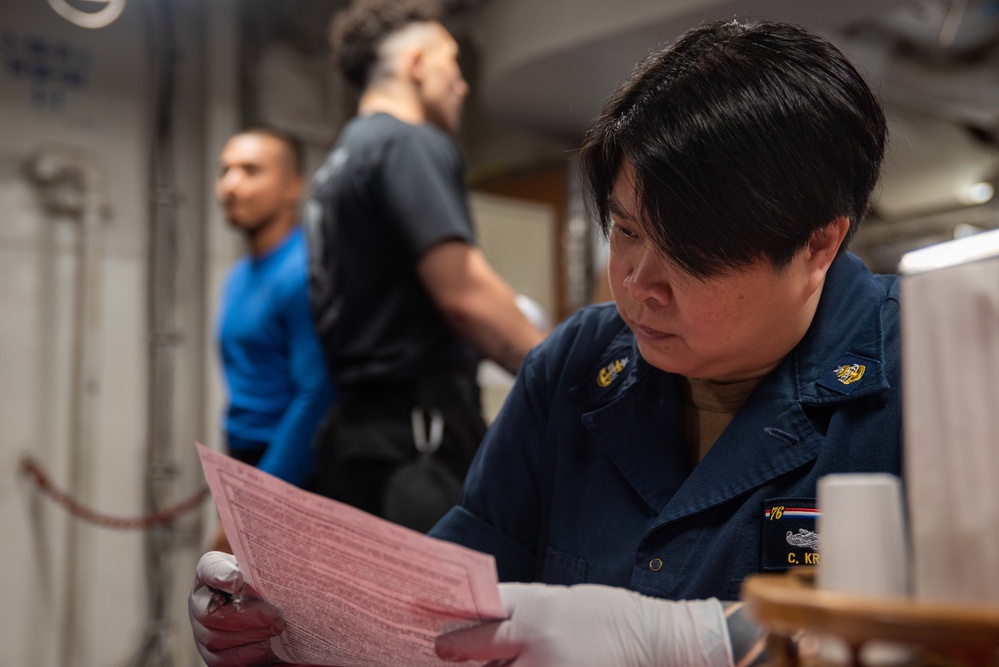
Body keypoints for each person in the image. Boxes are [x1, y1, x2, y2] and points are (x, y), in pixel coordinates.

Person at [190, 18, 899, 666]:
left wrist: (716, 639)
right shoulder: (577, 364)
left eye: (691, 253)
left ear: (817, 244)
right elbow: (442, 597)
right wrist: (298, 627)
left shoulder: (932, 375)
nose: (635, 285)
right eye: (624, 231)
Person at [304, 0, 546, 530]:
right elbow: (464, 295)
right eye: (452, 63)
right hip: (419, 440)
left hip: (357, 438)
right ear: (416, 64)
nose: (461, 84)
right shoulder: (407, 143)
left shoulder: (340, 159)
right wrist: (563, 375)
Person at [212, 128, 337, 552]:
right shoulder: (241, 275)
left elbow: (315, 395)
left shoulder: (301, 272)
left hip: (292, 474)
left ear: (292, 187)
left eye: (250, 171)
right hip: (247, 464)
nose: (230, 185)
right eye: (225, 170)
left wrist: (253, 507)